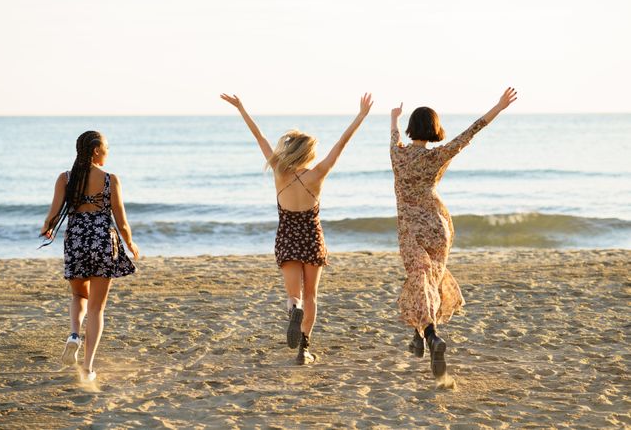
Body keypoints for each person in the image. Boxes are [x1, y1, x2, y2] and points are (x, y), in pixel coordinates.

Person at [221, 92, 373, 364]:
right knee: (312, 294)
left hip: (287, 237)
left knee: (295, 294)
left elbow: (260, 138)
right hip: (312, 238)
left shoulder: (279, 170)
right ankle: (304, 349)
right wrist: (360, 116)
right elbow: (341, 144)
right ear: (309, 153)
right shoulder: (318, 174)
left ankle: (294, 308)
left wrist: (242, 108)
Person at [390, 88, 517, 379]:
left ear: (412, 128)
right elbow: (470, 133)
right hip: (437, 226)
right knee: (428, 280)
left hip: (411, 228)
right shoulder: (439, 156)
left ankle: (430, 335)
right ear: (434, 129)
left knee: (419, 277)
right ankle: (419, 335)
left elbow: (394, 137)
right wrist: (497, 107)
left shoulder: (397, 155)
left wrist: (394, 118)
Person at [40, 130, 139, 381]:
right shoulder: (110, 179)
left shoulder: (65, 178)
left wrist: (48, 229)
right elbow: (122, 221)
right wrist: (130, 243)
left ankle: (74, 334)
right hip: (102, 241)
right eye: (106, 147)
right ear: (96, 150)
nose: (108, 151)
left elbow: (52, 214)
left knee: (78, 295)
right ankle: (88, 367)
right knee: (96, 309)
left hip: (75, 240)